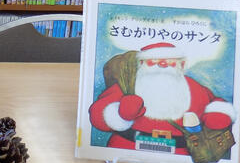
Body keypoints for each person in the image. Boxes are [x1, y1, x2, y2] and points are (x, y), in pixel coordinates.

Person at [89, 42, 235, 156]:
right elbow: (97, 114)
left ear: (181, 65)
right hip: (127, 149)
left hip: (180, 154)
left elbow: (215, 103)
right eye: (153, 61)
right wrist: (119, 113)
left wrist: (218, 115)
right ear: (141, 64)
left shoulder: (194, 88)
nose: (162, 65)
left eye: (169, 61)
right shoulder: (128, 85)